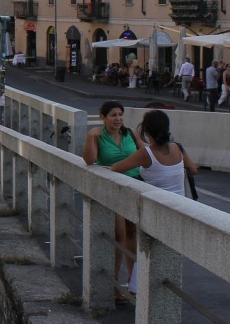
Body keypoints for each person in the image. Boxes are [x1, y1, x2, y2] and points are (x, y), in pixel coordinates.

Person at [108, 110, 199, 294]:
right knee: (165, 254)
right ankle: (154, 289)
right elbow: (193, 169)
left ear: (146, 131)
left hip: (155, 210)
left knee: (147, 251)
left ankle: (136, 288)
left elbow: (117, 168)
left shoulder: (146, 153)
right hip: (179, 209)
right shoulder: (177, 148)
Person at [83, 101, 145, 303]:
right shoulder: (98, 135)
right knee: (118, 236)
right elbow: (90, 160)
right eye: (113, 115)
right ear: (103, 116)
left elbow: (145, 155)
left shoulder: (131, 134)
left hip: (134, 185)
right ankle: (114, 286)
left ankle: (133, 282)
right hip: (113, 189)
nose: (118, 119)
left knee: (132, 233)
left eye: (120, 115)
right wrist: (91, 137)